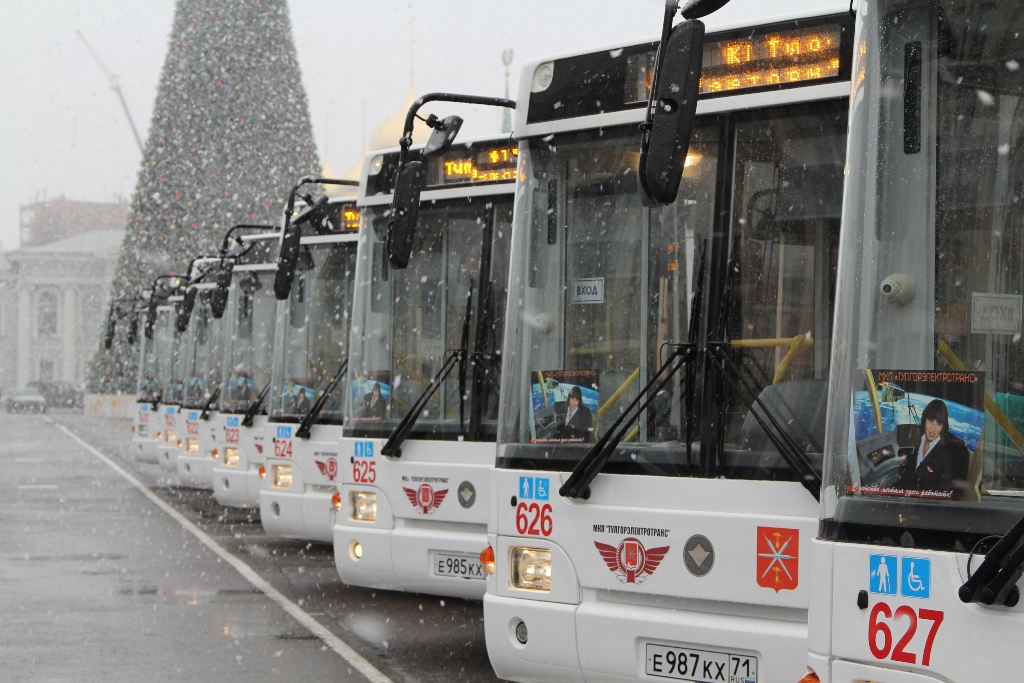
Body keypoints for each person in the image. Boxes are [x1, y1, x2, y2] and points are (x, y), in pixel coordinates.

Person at [895, 399, 969, 498]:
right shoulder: (920, 441)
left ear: (943, 426)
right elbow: (911, 476)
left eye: (939, 424)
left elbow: (945, 493)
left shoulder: (947, 455)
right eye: (930, 421)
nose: (933, 428)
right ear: (924, 419)